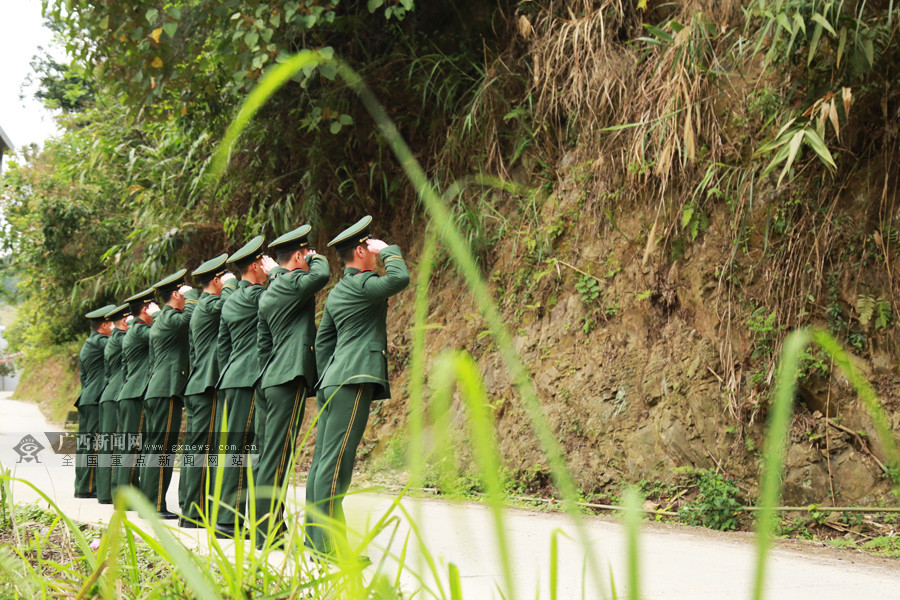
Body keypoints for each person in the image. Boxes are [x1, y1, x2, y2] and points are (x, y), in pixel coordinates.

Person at [304, 215, 409, 560]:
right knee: (336, 467)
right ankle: (331, 548)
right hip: (352, 381)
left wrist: (324, 380)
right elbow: (399, 278)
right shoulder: (364, 285)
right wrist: (389, 252)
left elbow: (323, 344)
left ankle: (315, 540)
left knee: (323, 462)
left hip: (334, 381)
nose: (375, 249)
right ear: (362, 250)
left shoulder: (338, 291)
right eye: (371, 245)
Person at [255, 225, 330, 548]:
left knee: (270, 456)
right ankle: (268, 533)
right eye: (305, 253)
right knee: (278, 457)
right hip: (288, 378)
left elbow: (262, 346)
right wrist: (316, 257)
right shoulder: (293, 282)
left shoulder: (270, 292)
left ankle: (270, 528)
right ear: (298, 255)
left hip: (271, 378)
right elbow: (322, 275)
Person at [214, 236, 276, 538]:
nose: (266, 268)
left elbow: (222, 349)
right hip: (250, 378)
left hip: (232, 378)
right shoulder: (257, 297)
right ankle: (229, 519)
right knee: (247, 450)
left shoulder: (230, 301)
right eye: (262, 263)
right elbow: (279, 296)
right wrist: (277, 273)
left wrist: (230, 372)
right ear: (254, 265)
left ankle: (227, 517)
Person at [179, 254, 237, 528]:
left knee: (196, 449)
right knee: (202, 450)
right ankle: (194, 512)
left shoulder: (201, 306)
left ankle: (191, 510)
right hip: (206, 386)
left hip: (198, 384)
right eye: (222, 277)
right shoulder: (212, 304)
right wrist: (231, 285)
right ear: (216, 281)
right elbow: (234, 304)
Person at [142, 270, 199, 518]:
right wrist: (194, 294)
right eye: (183, 292)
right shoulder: (171, 319)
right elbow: (192, 316)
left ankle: (150, 504)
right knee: (162, 449)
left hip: (158, 389)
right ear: (176, 294)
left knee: (156, 447)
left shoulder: (161, 320)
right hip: (166, 390)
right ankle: (153, 506)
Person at [116, 289, 158, 492]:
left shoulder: (133, 330)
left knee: (129, 446)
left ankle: (124, 491)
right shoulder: (141, 331)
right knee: (133, 447)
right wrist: (161, 316)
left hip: (130, 392)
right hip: (136, 393)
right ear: (145, 309)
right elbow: (161, 333)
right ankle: (128, 493)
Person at [74, 304, 115, 499]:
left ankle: (84, 485)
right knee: (93, 444)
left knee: (87, 443)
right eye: (112, 322)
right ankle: (87, 487)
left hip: (88, 397)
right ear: (105, 325)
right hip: (95, 398)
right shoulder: (100, 342)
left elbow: (84, 377)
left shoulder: (90, 342)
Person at [95, 304, 129, 504]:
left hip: (109, 392)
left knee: (108, 445)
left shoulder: (112, 340)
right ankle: (111, 492)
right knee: (114, 445)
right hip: (115, 394)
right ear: (125, 321)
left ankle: (105, 493)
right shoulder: (121, 338)